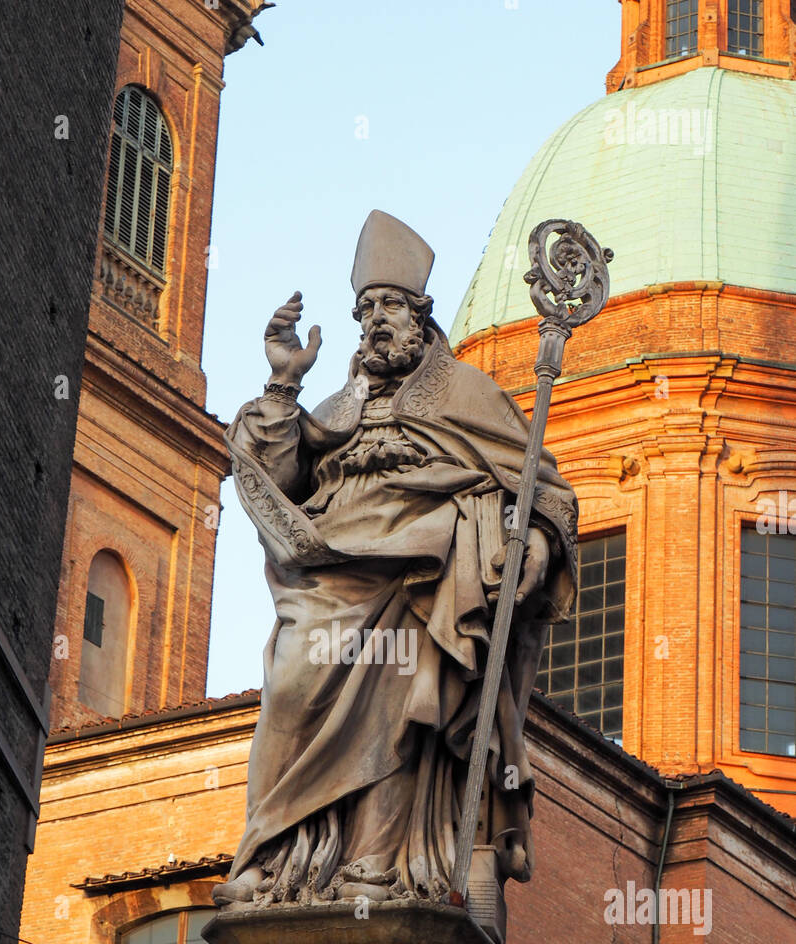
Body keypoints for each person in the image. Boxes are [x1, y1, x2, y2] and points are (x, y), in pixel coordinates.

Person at [215, 211, 578, 907]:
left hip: (420, 579)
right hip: (325, 576)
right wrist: (284, 386)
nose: (375, 321)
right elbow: (278, 480)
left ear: (420, 316)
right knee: (287, 696)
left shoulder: (468, 394)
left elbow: (545, 491)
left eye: (389, 307)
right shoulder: (334, 404)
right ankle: (268, 860)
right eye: (365, 310)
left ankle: (372, 869)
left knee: (403, 710)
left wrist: (530, 537)